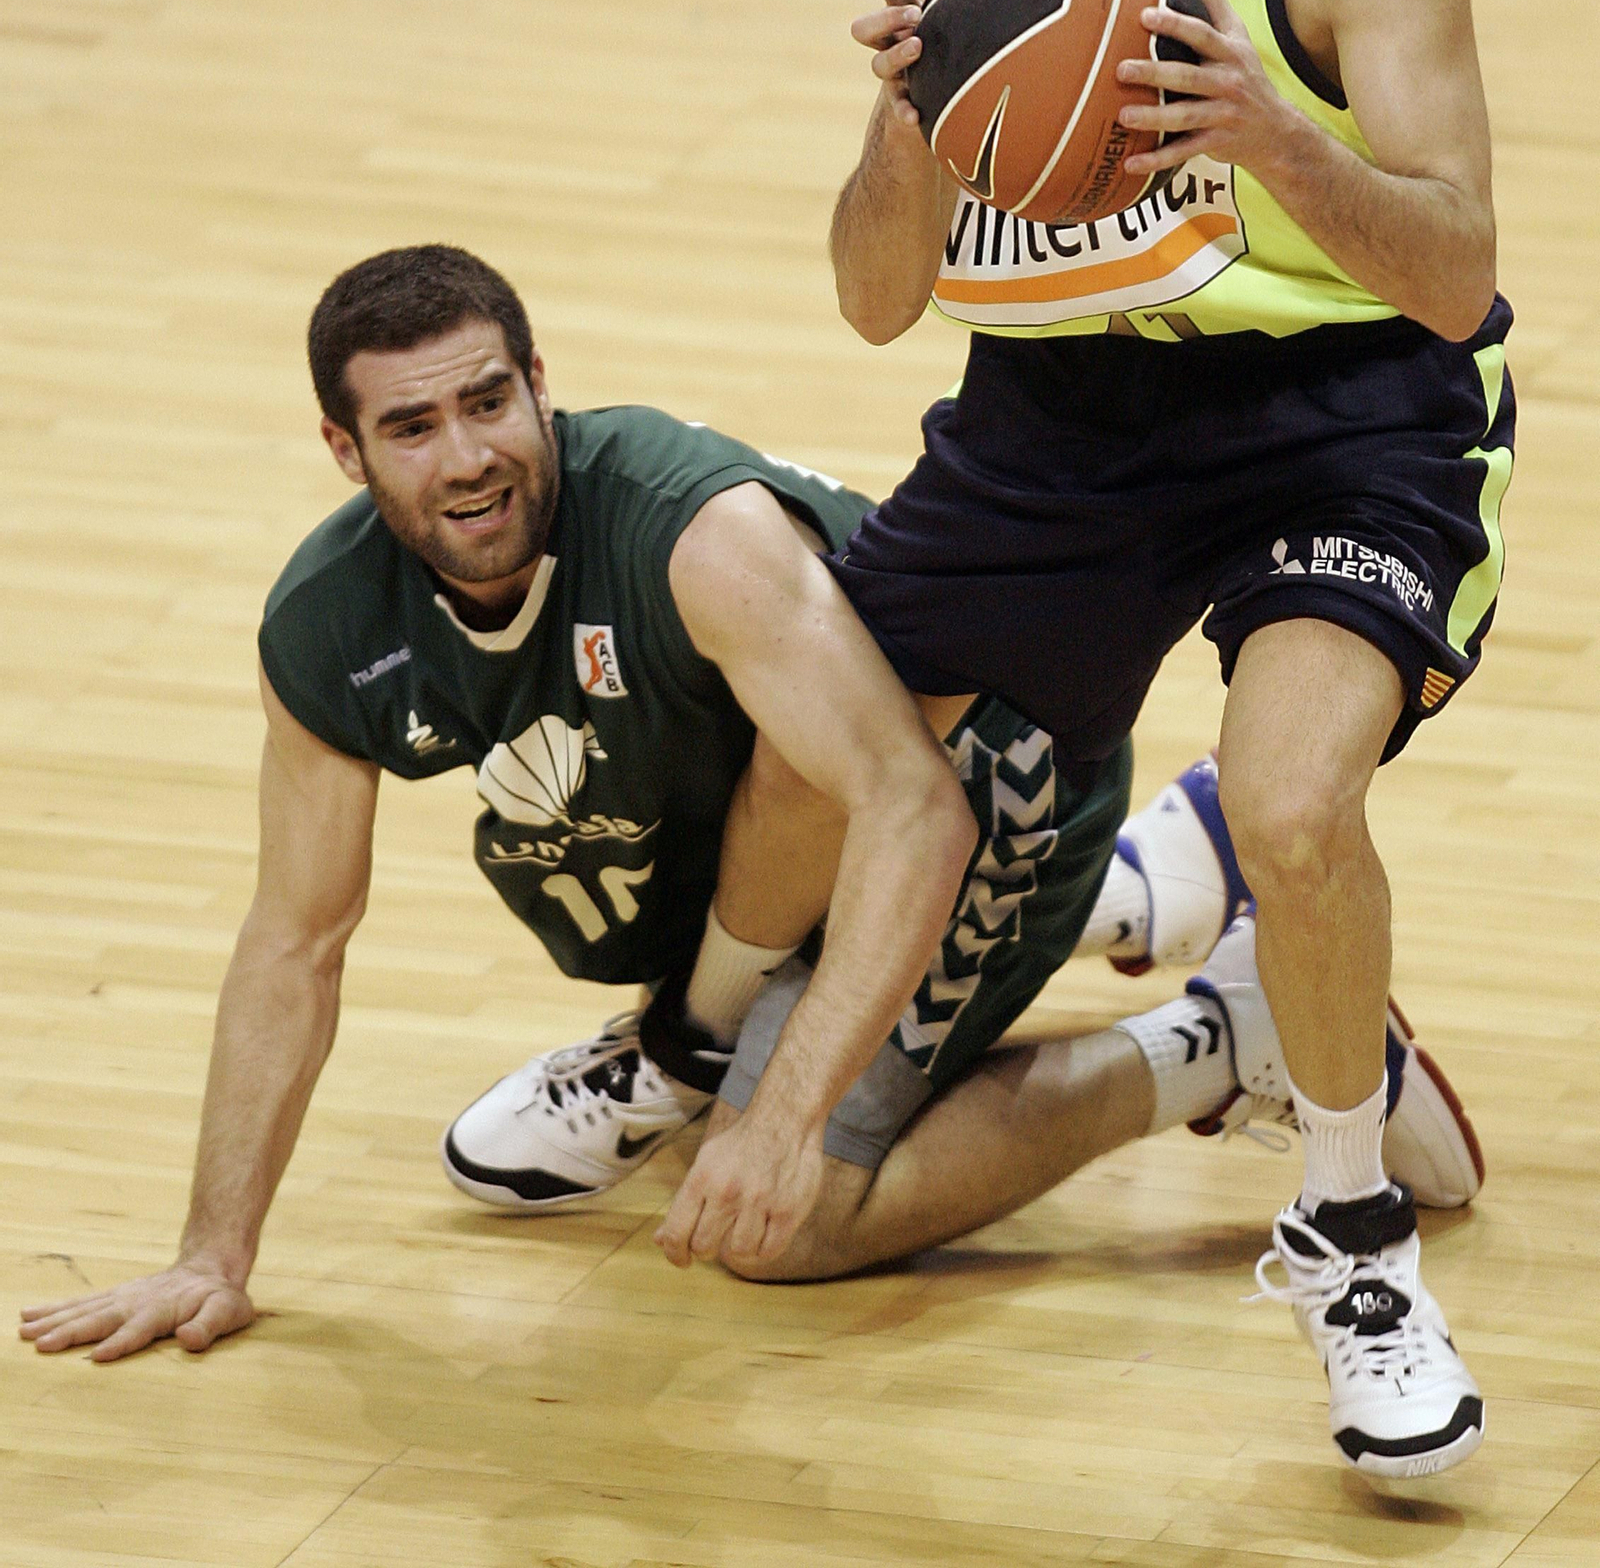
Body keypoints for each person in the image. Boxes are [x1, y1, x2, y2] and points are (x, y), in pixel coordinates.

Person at [16, 244, 1481, 1369]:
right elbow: (294, 941)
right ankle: (1139, 887)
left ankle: (1220, 1037)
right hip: (808, 823)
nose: (467, 457)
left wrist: (781, 1123)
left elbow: (913, 810)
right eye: (412, 427)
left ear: (539, 381)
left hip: (988, 776)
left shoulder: (691, 533)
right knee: (662, 863)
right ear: (345, 451)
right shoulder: (329, 622)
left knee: (790, 1223)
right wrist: (213, 1255)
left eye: (488, 401)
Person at [826, 0, 1507, 1480]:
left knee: (1296, 799)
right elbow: (873, 300)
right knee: (817, 734)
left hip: (1343, 399)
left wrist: (1269, 134)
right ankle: (682, 1041)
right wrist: (908, 123)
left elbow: (1457, 270)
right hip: (1070, 396)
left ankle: (1351, 1235)